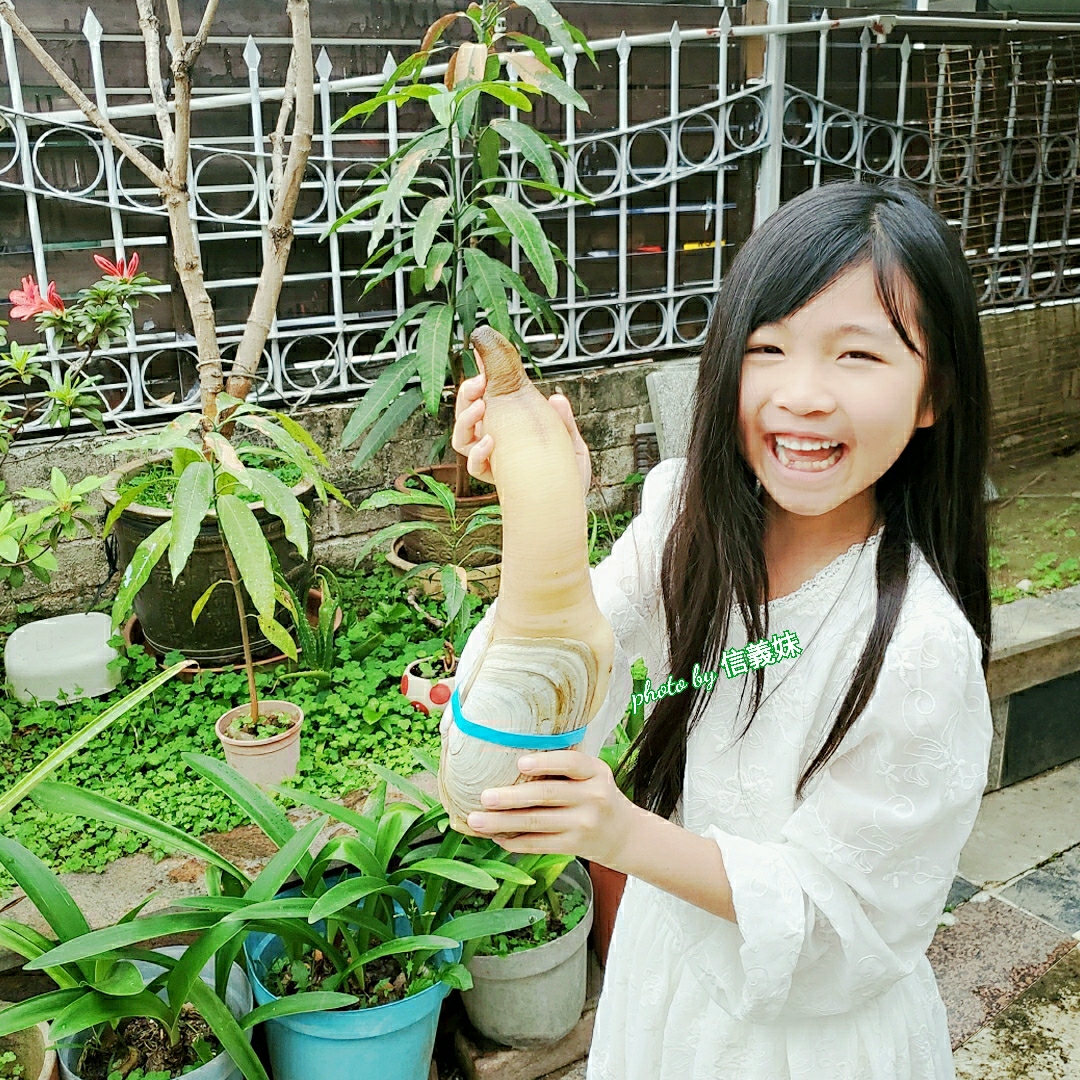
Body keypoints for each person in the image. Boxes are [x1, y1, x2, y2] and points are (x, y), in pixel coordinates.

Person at [445, 180, 994, 1080]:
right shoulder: (681, 520)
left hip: (808, 1043)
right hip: (670, 984)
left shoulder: (921, 645)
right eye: (767, 347)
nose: (803, 394)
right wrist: (542, 503)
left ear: (934, 394)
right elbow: (535, 721)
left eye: (857, 355)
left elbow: (846, 927)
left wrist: (621, 836)